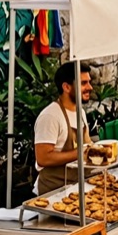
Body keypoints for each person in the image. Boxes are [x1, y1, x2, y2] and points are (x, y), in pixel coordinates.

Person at [33, 62, 93, 194]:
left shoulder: (80, 112)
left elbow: (87, 143)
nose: (90, 87)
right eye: (83, 83)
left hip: (78, 187)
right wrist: (81, 153)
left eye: (89, 82)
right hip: (53, 192)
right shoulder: (50, 116)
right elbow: (43, 158)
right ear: (66, 87)